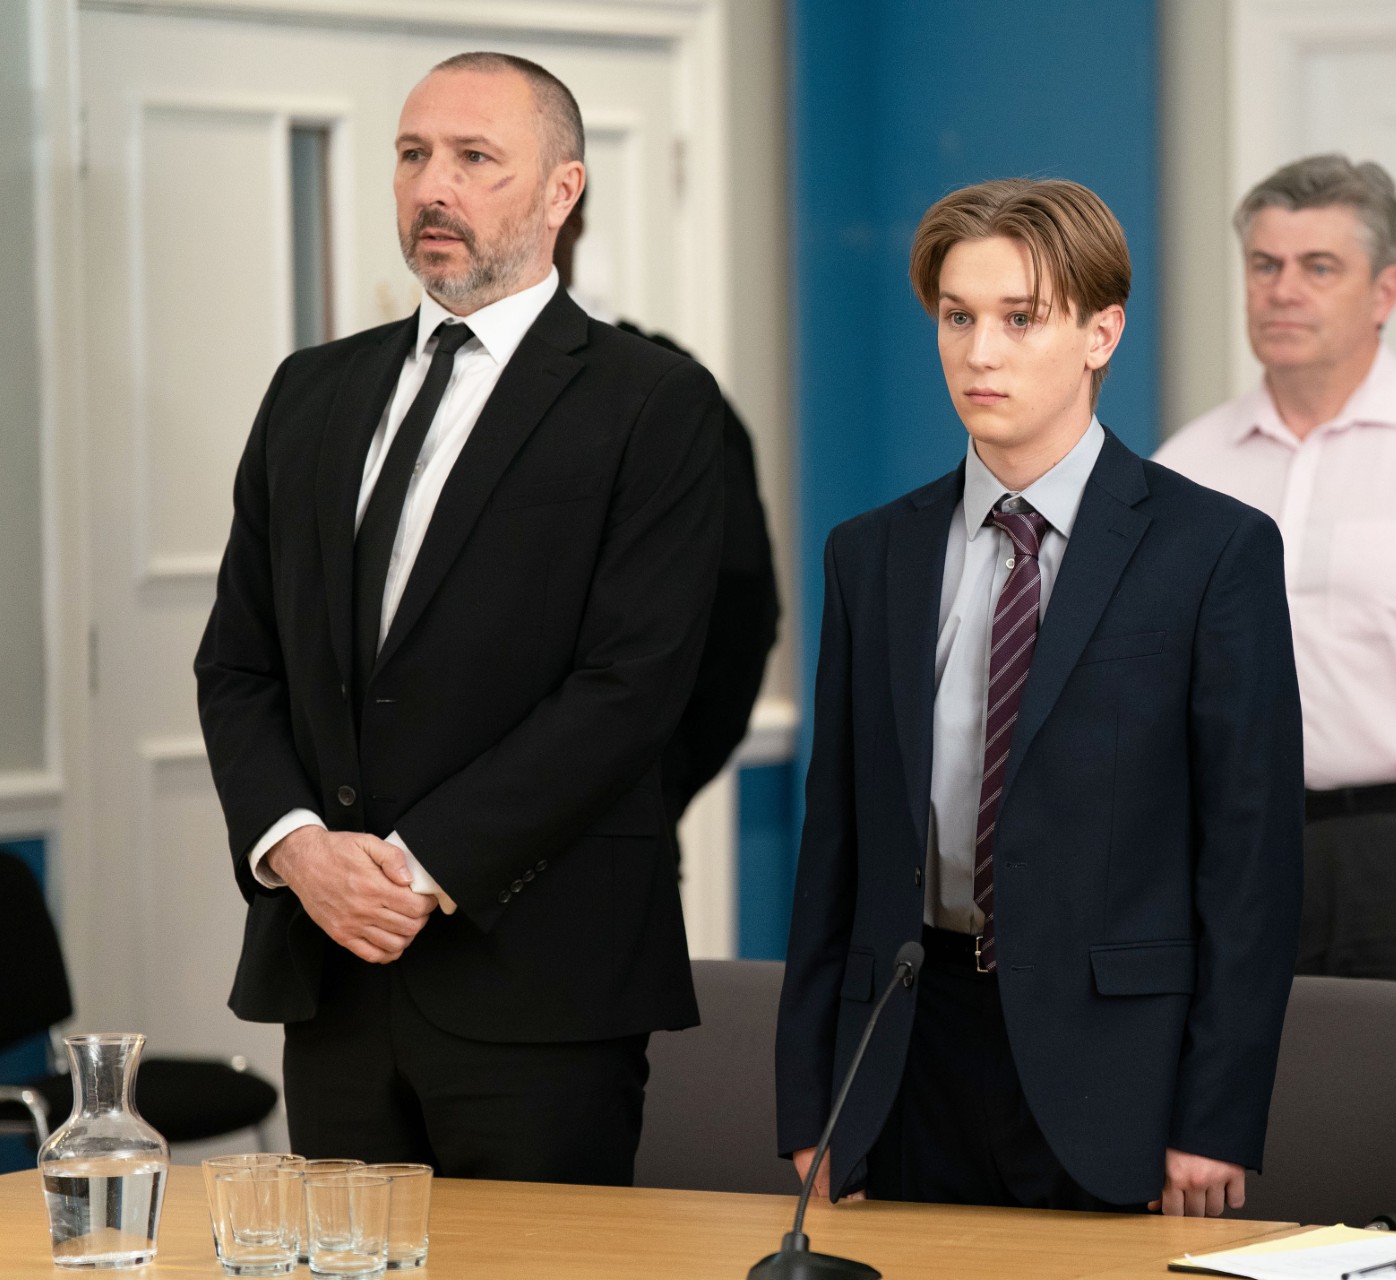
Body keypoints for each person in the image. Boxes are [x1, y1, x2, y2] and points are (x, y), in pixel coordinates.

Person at [195, 51, 726, 1184]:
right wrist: (297, 852)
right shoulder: (308, 392)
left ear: (560, 191)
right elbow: (238, 664)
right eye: (413, 155)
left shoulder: (654, 402)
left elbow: (630, 686)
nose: (434, 185)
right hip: (330, 970)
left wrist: (415, 865)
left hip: (538, 977)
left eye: (475, 158)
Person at [775, 178, 1304, 1216]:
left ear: (1101, 331)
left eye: (1021, 318)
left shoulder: (1213, 551)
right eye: (958, 317)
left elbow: (1253, 866)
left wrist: (1216, 1115)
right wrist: (813, 1099)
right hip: (911, 1050)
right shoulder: (869, 554)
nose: (981, 352)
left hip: (1120, 1069)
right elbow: (834, 843)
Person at [1155, 155, 1396, 1196]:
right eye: (1264, 265)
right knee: (1253, 1144)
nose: (1283, 290)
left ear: (1384, 288)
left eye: (1317, 265)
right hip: (1231, 857)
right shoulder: (1186, 464)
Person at [553, 186, 781, 863]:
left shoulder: (666, 394)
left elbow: (737, 612)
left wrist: (659, 779)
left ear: (570, 214)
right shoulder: (382, 390)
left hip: (608, 837)